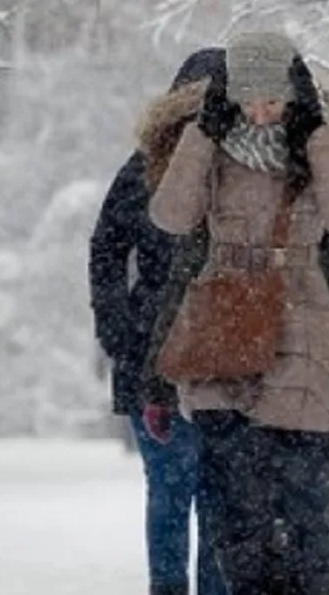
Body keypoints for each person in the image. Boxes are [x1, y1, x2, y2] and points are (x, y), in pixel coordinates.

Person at [144, 31, 329, 595]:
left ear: (295, 92)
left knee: (305, 537)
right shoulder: (213, 144)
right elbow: (171, 217)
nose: (261, 112)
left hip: (305, 343)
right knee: (236, 535)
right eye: (249, 100)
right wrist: (203, 134)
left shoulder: (327, 143)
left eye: (273, 99)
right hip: (226, 338)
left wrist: (317, 134)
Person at [89, 49, 230, 595]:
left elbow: (104, 249)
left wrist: (118, 326)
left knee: (176, 495)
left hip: (187, 349)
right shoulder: (153, 164)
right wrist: (119, 328)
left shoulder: (146, 161)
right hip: (187, 352)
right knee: (213, 497)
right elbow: (106, 247)